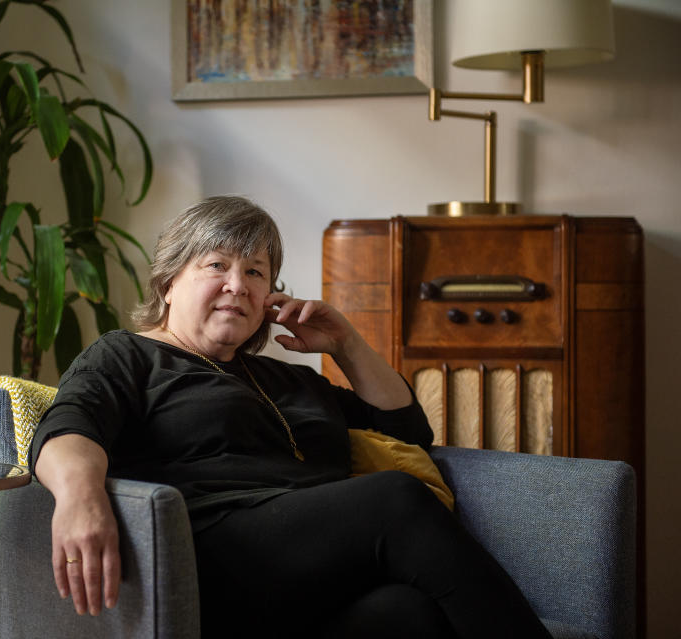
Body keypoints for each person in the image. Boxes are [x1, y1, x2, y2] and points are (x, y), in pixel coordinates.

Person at [29, 196, 552, 638]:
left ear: (270, 297)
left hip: (305, 574)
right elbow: (70, 425)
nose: (239, 284)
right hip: (213, 552)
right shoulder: (129, 354)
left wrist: (345, 344)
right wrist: (80, 498)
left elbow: (406, 430)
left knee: (406, 614)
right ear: (168, 282)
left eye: (255, 272)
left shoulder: (287, 379)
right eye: (217, 265)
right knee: (396, 499)